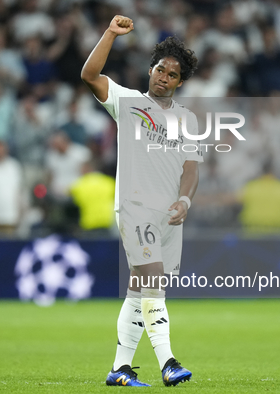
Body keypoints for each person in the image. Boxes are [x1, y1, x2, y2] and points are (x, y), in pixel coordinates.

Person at [81, 15, 201, 387]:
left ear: (180, 82)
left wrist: (185, 200)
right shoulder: (128, 102)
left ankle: (119, 369)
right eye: (160, 69)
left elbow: (191, 170)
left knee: (139, 292)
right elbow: (89, 75)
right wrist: (110, 34)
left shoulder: (187, 120)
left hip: (168, 216)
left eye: (172, 74)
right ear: (151, 70)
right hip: (135, 210)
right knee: (153, 288)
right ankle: (168, 362)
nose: (163, 77)